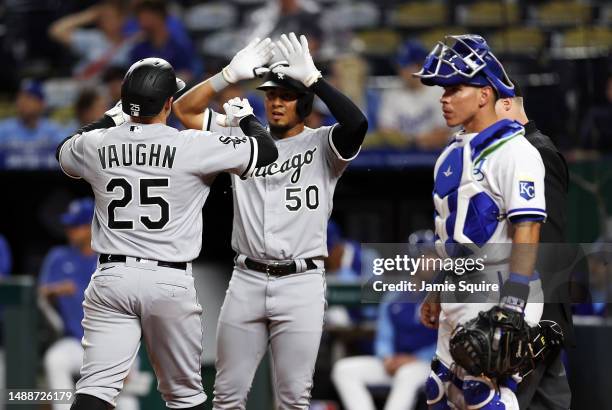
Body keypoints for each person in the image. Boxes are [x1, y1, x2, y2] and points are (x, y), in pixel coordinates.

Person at [56, 54, 278, 410]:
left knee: (95, 390)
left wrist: (107, 119)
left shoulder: (98, 143)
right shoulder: (191, 145)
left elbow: (64, 150)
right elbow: (265, 153)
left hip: (112, 276)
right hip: (168, 279)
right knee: (184, 398)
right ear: (169, 103)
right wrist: (247, 119)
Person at [173, 32, 368, 409]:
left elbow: (357, 125)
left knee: (293, 399)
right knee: (227, 397)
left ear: (305, 102)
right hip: (246, 278)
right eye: (271, 96)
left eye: (287, 96)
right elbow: (185, 111)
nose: (276, 103)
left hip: (301, 282)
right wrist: (226, 77)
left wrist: (315, 80)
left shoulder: (323, 144)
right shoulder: (241, 133)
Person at [414, 34, 546, 409]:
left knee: (482, 394)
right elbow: (450, 235)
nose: (444, 98)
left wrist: (514, 302)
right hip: (458, 289)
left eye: (455, 89)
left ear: (485, 94)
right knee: (441, 391)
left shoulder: (515, 152)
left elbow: (528, 228)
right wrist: (438, 287)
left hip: (498, 285)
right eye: (443, 90)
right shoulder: (449, 155)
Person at [495, 79, 573, 409]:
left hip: (536, 312)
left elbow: (549, 238)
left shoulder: (537, 151)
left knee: (509, 400)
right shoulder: (513, 152)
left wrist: (540, 322)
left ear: (509, 103)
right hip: (531, 308)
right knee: (549, 401)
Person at [38, 198, 139, 410]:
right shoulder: (59, 257)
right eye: (69, 225)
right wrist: (53, 291)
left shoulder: (114, 258)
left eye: (76, 225)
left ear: (91, 226)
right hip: (76, 342)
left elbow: (132, 309)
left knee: (126, 400)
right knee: (56, 359)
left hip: (114, 346)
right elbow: (38, 294)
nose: (70, 230)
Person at [331, 231, 438, 410]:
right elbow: (384, 337)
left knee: (407, 374)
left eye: (434, 255)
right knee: (343, 370)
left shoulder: (442, 296)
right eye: (426, 255)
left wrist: (413, 359)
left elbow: (444, 342)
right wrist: (387, 357)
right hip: (394, 362)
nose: (432, 261)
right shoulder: (394, 296)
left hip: (426, 364)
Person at [377, 40, 451, 150]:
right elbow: (386, 133)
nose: (401, 71)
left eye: (406, 66)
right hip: (400, 157)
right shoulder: (391, 94)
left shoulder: (440, 92)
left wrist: (409, 141)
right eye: (400, 66)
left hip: (436, 153)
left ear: (421, 66)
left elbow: (442, 134)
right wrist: (415, 141)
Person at [48, 1, 133, 80]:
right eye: (103, 17)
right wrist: (90, 15)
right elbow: (56, 31)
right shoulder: (93, 38)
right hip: (87, 88)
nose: (107, 21)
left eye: (111, 17)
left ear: (122, 19)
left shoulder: (131, 42)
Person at [129, 0, 197, 83]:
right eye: (139, 18)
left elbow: (190, 74)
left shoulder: (180, 46)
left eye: (146, 17)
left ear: (159, 16)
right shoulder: (138, 50)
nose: (141, 22)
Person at [0, 80, 64, 148]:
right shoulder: (4, 129)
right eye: (20, 97)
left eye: (29, 98)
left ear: (42, 103)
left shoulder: (54, 130)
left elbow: (65, 154)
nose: (23, 102)